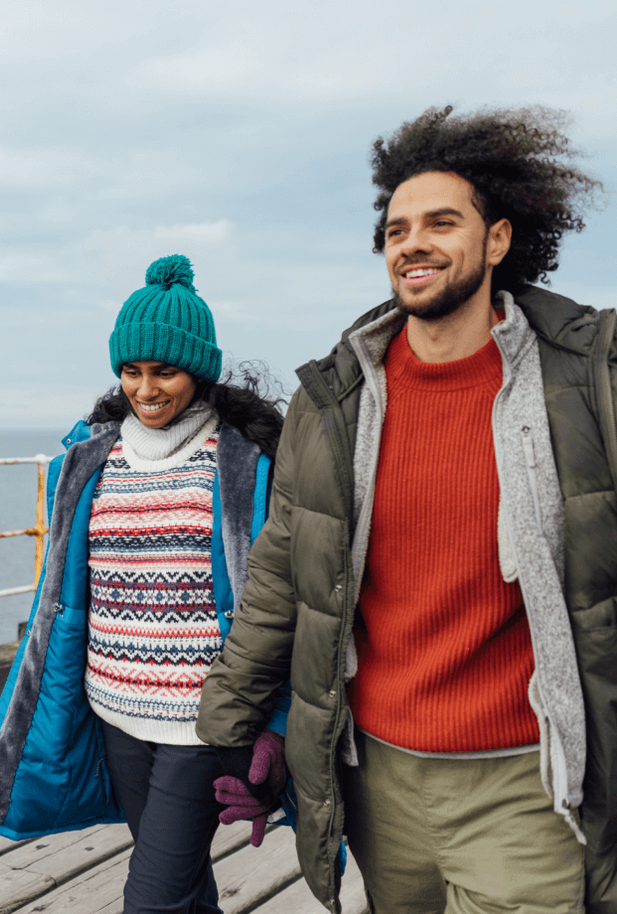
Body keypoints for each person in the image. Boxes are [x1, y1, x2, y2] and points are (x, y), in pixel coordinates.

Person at [195, 105, 617, 914]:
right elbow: (283, 572)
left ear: (497, 240)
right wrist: (227, 720)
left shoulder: (585, 381)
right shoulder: (334, 402)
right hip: (376, 778)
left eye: (440, 222)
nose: (411, 242)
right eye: (395, 230)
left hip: (527, 776)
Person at [0, 255, 289, 914]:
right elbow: (59, 600)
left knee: (150, 901)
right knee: (183, 891)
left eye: (164, 371)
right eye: (132, 370)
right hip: (114, 710)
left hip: (203, 723)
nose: (146, 388)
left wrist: (277, 725)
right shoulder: (88, 461)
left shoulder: (247, 465)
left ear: (199, 370)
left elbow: (281, 607)